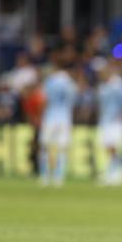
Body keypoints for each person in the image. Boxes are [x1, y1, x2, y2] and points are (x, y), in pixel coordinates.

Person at [39, 52, 78, 186]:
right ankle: (58, 177)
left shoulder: (49, 81)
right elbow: (73, 100)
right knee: (62, 148)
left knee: (45, 147)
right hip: (64, 118)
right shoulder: (70, 82)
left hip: (50, 117)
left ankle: (44, 176)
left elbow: (44, 100)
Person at [97, 64, 122, 185]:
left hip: (116, 122)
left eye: (101, 71)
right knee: (109, 148)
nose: (99, 74)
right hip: (105, 121)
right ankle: (119, 171)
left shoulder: (117, 84)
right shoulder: (102, 86)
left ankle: (116, 173)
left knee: (113, 147)